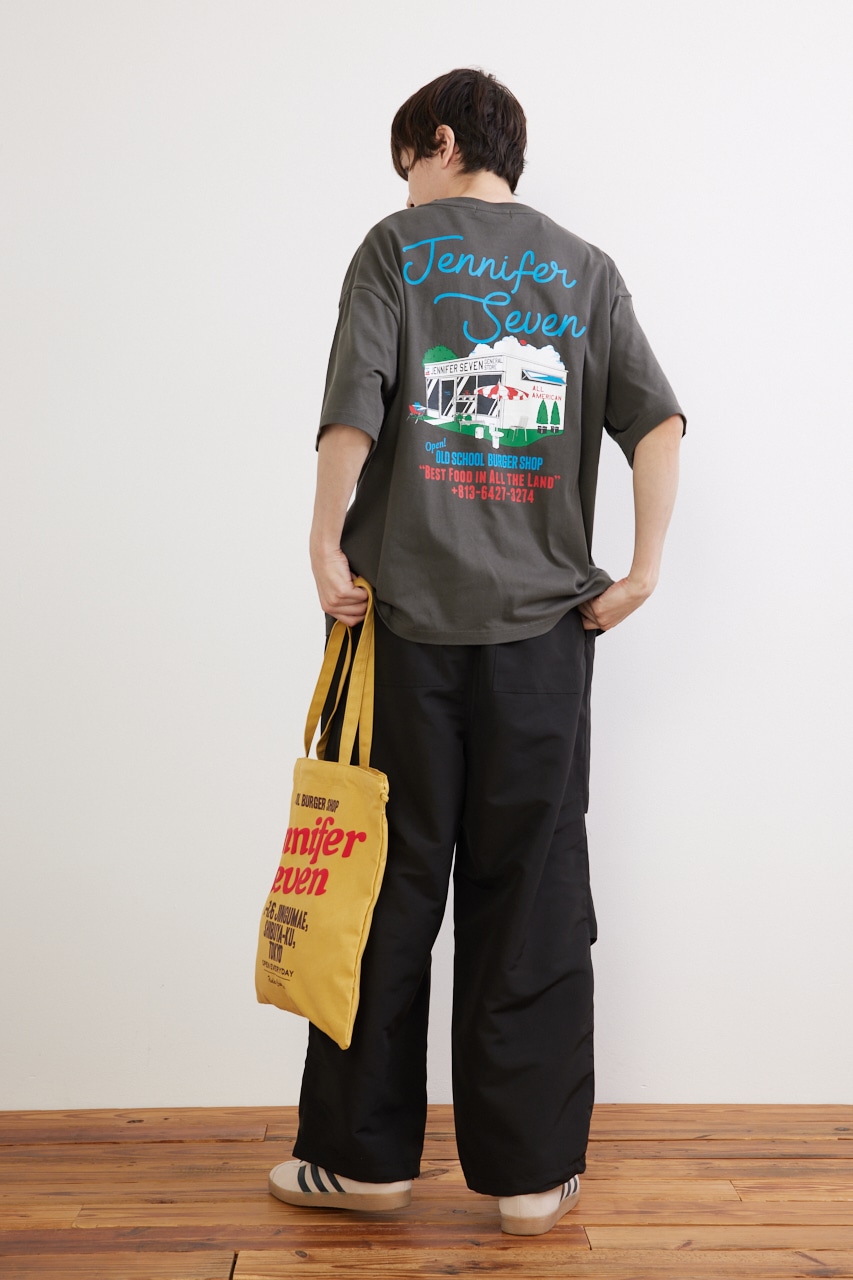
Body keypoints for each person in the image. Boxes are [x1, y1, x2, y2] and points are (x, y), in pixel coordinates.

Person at [268, 67, 685, 1236]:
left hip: (404, 631)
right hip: (547, 637)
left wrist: (322, 541)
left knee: (380, 885)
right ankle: (530, 1176)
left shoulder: (395, 249)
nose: (405, 186)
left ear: (440, 140)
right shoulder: (584, 267)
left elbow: (354, 407)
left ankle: (362, 1160)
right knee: (534, 890)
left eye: (408, 161)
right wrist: (641, 571)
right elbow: (657, 421)